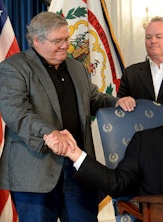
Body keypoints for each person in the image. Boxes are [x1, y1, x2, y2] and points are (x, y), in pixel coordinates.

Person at [0, 12, 135, 222]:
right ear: (37, 41)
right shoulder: (14, 68)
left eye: (66, 39)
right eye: (58, 41)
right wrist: (51, 133)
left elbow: (92, 98)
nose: (65, 46)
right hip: (36, 173)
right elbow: (16, 113)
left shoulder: (75, 66)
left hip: (79, 168)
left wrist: (115, 102)